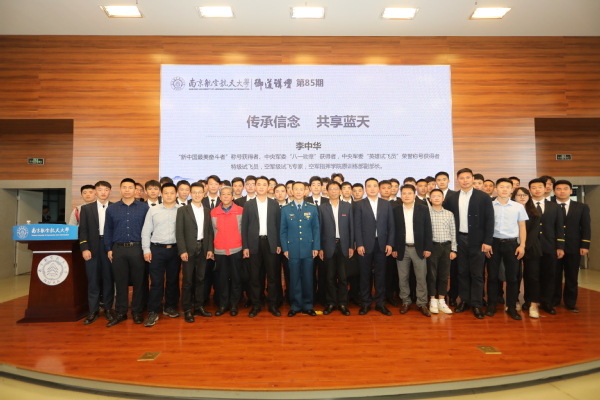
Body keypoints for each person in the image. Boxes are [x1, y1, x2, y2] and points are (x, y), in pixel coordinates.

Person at [443, 168, 494, 319]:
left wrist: (488, 241)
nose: (465, 180)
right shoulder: (452, 198)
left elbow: (490, 219)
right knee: (462, 272)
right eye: (462, 178)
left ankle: (477, 304)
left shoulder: (483, 197)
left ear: (472, 179)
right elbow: (447, 219)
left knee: (477, 274)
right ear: (457, 180)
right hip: (459, 239)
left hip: (477, 241)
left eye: (467, 177)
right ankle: (464, 300)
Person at [104, 178, 150, 327]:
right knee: (120, 281)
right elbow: (108, 230)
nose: (127, 190)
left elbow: (148, 229)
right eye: (124, 187)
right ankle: (121, 312)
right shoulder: (112, 209)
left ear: (135, 190)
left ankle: (137, 311)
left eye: (130, 187)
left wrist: (146, 249)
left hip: (138, 248)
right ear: (120, 189)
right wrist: (109, 248)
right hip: (118, 249)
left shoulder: (144, 208)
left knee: (139, 281)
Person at [484, 178, 528, 320]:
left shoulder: (518, 206)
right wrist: (487, 243)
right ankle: (491, 305)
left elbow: (522, 227)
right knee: (492, 276)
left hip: (512, 244)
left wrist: (522, 245)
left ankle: (511, 307)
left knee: (513, 278)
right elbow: (484, 226)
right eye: (501, 186)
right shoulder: (489, 205)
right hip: (493, 244)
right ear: (496, 189)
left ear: (511, 190)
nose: (504, 189)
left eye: (507, 187)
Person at [141, 183, 182, 327]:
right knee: (156, 282)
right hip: (156, 250)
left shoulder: (182, 210)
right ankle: (153, 310)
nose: (169, 195)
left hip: (175, 250)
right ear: (161, 194)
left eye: (172, 193)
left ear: (176, 194)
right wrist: (146, 249)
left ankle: (170, 306)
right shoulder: (153, 210)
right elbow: (146, 231)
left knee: (173, 280)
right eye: (166, 193)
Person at [242, 176, 282, 317]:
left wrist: (278, 244)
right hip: (254, 243)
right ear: (255, 187)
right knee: (255, 277)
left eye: (264, 185)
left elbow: (278, 226)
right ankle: (256, 305)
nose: (261, 187)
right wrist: (245, 246)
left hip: (271, 243)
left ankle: (272, 305)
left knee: (272, 276)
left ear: (268, 187)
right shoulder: (249, 204)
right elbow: (244, 227)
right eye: (258, 184)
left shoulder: (274, 204)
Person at [354, 177, 395, 316]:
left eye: (374, 186)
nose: (372, 188)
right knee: (365, 275)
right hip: (365, 245)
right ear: (365, 189)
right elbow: (357, 226)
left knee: (381, 275)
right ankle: (365, 303)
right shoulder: (360, 204)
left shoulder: (386, 204)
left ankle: (380, 303)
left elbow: (391, 225)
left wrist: (390, 243)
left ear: (378, 188)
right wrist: (359, 244)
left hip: (382, 244)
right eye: (369, 186)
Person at [280, 182, 320, 317]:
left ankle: (308, 305)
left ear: (305, 192)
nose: (298, 191)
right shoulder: (286, 209)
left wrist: (316, 247)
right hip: (292, 249)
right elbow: (283, 231)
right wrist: (285, 248)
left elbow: (316, 229)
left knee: (308, 278)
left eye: (301, 189)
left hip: (308, 248)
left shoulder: (312, 208)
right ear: (291, 191)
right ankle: (295, 305)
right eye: (295, 189)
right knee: (294, 278)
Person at [176, 182, 214, 322]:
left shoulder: (207, 211)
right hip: (188, 250)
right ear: (190, 194)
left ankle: (199, 306)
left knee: (201, 279)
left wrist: (210, 248)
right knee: (187, 281)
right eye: (195, 192)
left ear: (204, 194)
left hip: (203, 248)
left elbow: (209, 232)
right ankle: (187, 309)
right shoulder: (183, 210)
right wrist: (182, 250)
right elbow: (179, 232)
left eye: (200, 192)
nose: (197, 195)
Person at [393, 184, 433, 317]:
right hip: (402, 249)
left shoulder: (423, 209)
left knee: (421, 277)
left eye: (409, 193)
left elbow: (428, 229)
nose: (407, 196)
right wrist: (394, 248)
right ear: (401, 196)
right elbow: (393, 230)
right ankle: (405, 301)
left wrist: (427, 248)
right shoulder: (396, 210)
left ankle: (422, 303)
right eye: (404, 193)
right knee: (402, 277)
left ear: (414, 195)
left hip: (419, 249)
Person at [553, 180, 591, 313]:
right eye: (558, 189)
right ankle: (554, 300)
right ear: (554, 191)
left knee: (572, 276)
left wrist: (585, 244)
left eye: (565, 188)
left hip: (574, 246)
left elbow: (585, 227)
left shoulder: (581, 206)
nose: (562, 191)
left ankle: (570, 303)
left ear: (571, 191)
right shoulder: (549, 205)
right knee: (554, 275)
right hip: (554, 246)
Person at [78, 181, 114, 324]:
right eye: (100, 190)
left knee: (108, 279)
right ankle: (93, 311)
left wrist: (113, 248)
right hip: (92, 248)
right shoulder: (86, 209)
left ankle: (108, 309)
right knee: (93, 279)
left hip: (109, 247)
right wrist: (84, 248)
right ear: (95, 192)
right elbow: (83, 230)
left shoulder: (115, 207)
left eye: (106, 190)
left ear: (110, 191)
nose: (103, 192)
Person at [528, 178, 564, 315]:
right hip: (531, 246)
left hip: (550, 246)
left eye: (540, 187)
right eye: (533, 187)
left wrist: (560, 246)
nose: (537, 190)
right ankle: (531, 301)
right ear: (530, 190)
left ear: (545, 189)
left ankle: (547, 302)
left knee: (549, 275)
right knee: (532, 275)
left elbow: (559, 227)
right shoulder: (525, 205)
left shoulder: (554, 206)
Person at [318, 181, 354, 316]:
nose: (334, 191)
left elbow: (351, 228)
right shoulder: (322, 208)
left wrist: (351, 246)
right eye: (331, 189)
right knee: (329, 277)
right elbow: (319, 229)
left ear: (340, 191)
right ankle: (331, 303)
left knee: (343, 277)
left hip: (344, 245)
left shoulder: (348, 206)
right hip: (328, 246)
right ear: (327, 191)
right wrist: (320, 248)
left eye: (336, 189)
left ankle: (343, 303)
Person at [211, 186, 244, 316]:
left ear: (232, 196)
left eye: (228, 194)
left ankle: (234, 304)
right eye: (223, 194)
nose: (225, 196)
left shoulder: (240, 210)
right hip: (220, 250)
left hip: (236, 249)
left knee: (236, 278)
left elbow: (243, 230)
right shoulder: (213, 212)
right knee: (222, 279)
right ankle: (223, 304)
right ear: (220, 197)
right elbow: (211, 232)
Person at [512, 187, 542, 318]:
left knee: (532, 276)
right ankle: (515, 300)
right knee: (515, 276)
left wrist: (524, 247)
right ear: (514, 197)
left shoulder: (534, 213)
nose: (522, 197)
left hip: (531, 247)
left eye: (525, 195)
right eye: (519, 195)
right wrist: (518, 246)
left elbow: (534, 233)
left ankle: (533, 304)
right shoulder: (510, 210)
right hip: (513, 247)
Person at [427, 188, 457, 314]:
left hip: (446, 247)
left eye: (439, 196)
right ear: (430, 199)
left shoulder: (449, 214)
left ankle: (442, 300)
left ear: (443, 198)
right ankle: (432, 300)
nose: (436, 198)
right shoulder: (426, 213)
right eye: (434, 196)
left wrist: (454, 249)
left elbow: (453, 232)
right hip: (432, 248)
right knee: (432, 275)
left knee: (444, 276)